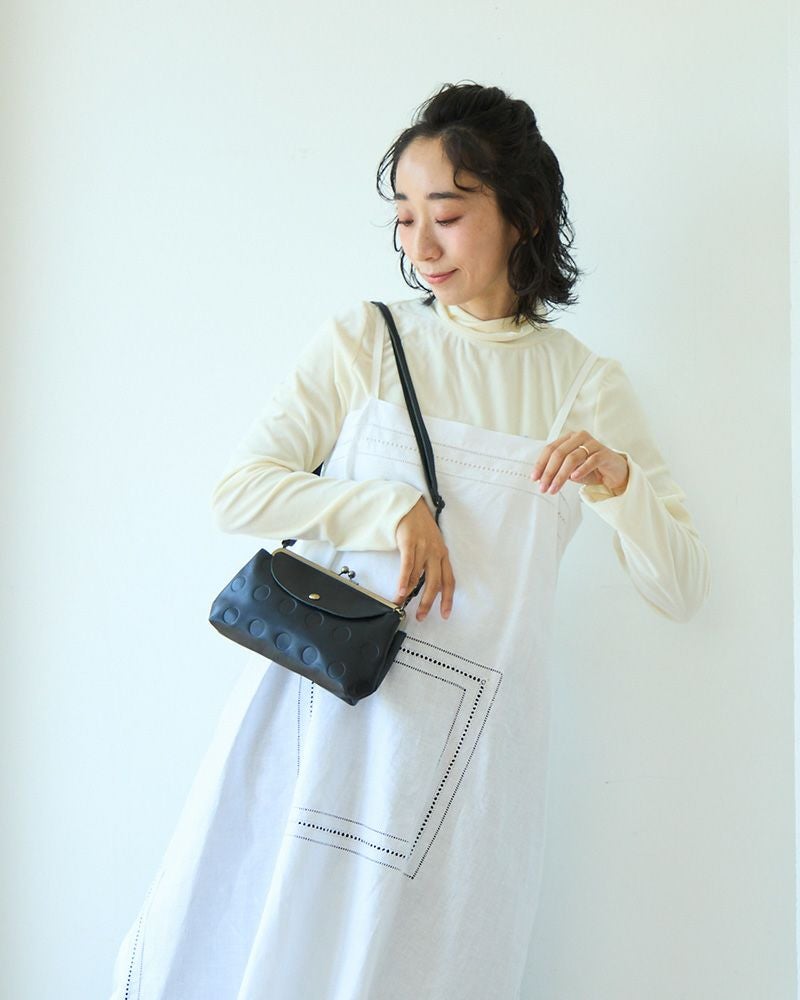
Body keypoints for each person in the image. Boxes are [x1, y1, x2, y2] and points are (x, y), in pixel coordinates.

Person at [108, 82, 710, 1000]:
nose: (420, 246)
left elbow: (681, 586)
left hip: (470, 773)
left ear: (522, 216)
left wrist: (619, 480)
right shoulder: (368, 341)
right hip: (319, 724)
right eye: (403, 217)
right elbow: (240, 491)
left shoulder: (581, 385)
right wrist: (387, 507)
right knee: (262, 952)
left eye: (448, 216)